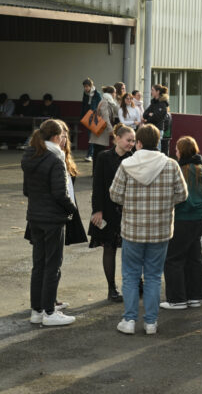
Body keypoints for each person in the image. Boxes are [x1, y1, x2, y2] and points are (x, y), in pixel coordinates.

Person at [109, 124, 187, 335]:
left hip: (132, 230)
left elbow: (114, 194)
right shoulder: (171, 165)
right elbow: (182, 195)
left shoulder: (127, 164)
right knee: (153, 276)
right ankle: (151, 322)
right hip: (160, 231)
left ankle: (129, 320)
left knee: (131, 275)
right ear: (159, 141)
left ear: (140, 143)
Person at [21, 119, 78, 326]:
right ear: (55, 137)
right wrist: (72, 209)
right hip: (53, 219)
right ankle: (49, 312)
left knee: (39, 265)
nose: (65, 139)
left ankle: (37, 310)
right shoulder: (56, 159)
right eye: (63, 136)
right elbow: (60, 194)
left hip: (34, 217)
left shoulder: (31, 155)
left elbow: (26, 190)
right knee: (53, 265)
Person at [161, 137, 202, 311]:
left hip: (181, 217)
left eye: (177, 149)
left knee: (173, 258)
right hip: (200, 218)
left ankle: (177, 298)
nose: (175, 152)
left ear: (181, 151)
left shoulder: (179, 169)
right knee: (195, 257)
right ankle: (195, 296)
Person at [89, 124, 135, 302]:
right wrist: (97, 210)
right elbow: (97, 185)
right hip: (108, 209)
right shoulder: (103, 157)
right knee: (109, 248)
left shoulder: (134, 158)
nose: (130, 143)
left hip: (129, 210)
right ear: (117, 138)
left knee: (132, 250)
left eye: (133, 140)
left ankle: (135, 283)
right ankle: (111, 288)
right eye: (128, 140)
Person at [88, 86, 118, 161]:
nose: (115, 94)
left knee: (98, 153)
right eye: (115, 92)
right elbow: (105, 117)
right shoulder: (105, 102)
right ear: (111, 93)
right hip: (100, 131)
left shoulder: (107, 101)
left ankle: (96, 172)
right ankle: (96, 172)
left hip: (100, 131)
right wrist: (111, 129)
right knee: (99, 153)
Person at [143, 84, 169, 150]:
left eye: (152, 90)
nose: (151, 92)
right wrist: (150, 114)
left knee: (157, 148)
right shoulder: (153, 102)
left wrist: (149, 118)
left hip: (158, 129)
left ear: (158, 92)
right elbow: (144, 114)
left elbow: (157, 117)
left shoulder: (162, 104)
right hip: (150, 129)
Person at [81, 78, 102, 162]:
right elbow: (84, 105)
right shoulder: (85, 94)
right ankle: (91, 154)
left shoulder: (97, 94)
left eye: (87, 86)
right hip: (87, 115)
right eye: (84, 87)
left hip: (94, 116)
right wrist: (82, 116)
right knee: (90, 136)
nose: (86, 88)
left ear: (91, 86)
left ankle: (90, 154)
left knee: (92, 136)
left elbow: (100, 105)